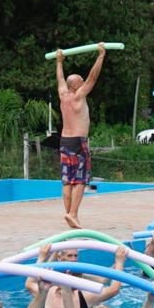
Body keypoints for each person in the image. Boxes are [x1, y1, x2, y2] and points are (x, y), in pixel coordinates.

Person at [56, 43, 107, 228]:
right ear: (76, 85)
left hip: (64, 141)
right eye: (80, 80)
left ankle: (69, 216)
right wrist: (100, 56)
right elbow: (93, 77)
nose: (83, 81)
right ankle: (73, 214)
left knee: (67, 180)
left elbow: (60, 79)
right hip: (78, 141)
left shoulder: (63, 94)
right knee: (80, 179)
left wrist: (59, 61)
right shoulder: (78, 95)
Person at [38, 246, 126, 308]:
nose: (73, 259)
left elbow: (32, 281)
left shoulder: (47, 291)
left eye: (76, 256)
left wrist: (42, 258)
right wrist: (120, 262)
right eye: (70, 256)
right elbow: (114, 289)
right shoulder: (84, 296)